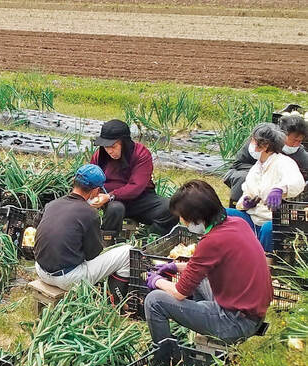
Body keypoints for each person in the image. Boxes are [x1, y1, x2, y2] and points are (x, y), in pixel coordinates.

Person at [144, 180, 272, 345]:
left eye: (182, 217)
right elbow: (203, 268)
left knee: (154, 301)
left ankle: (165, 356)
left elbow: (179, 292)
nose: (182, 220)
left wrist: (157, 280)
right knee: (199, 278)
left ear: (196, 217)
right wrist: (176, 266)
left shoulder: (211, 242)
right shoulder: (237, 223)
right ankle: (202, 328)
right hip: (253, 314)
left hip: (235, 322)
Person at [33, 164, 131, 291]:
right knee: (127, 252)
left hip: (41, 271)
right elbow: (93, 254)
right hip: (67, 279)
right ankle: (116, 300)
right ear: (95, 191)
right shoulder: (90, 213)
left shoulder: (52, 204)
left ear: (75, 182)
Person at [225, 122, 305, 252]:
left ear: (265, 145)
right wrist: (246, 203)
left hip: (275, 220)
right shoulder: (256, 168)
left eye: (254, 141)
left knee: (268, 228)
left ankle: (265, 262)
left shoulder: (284, 163)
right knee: (224, 214)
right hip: (253, 218)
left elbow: (297, 182)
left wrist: (280, 189)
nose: (251, 144)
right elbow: (247, 192)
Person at [89, 119, 176, 236]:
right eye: (105, 146)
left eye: (113, 146)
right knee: (116, 209)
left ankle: (147, 241)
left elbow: (136, 186)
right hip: (113, 202)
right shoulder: (99, 156)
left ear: (124, 143)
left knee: (171, 208)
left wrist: (110, 196)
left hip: (141, 200)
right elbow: (91, 179)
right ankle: (107, 242)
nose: (109, 150)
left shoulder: (141, 154)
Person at [223, 114, 308, 204]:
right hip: (248, 175)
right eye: (294, 140)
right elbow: (238, 164)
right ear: (283, 135)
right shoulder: (258, 145)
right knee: (243, 178)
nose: (297, 144)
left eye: (300, 141)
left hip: (271, 202)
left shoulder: (296, 156)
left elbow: (296, 181)